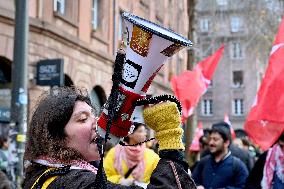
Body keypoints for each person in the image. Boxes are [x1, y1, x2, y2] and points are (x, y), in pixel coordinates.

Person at [22, 87, 196, 188]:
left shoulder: (46, 174)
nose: (97, 123)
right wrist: (169, 136)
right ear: (56, 138)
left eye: (94, 115)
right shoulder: (75, 183)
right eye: (83, 119)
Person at [192, 121, 249, 189]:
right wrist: (197, 186)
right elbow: (192, 181)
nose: (211, 143)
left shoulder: (238, 166)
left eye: (215, 139)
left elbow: (244, 186)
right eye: (210, 139)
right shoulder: (203, 162)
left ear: (226, 143)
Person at [104, 122, 159, 187]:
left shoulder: (152, 155)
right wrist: (120, 180)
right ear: (130, 134)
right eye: (141, 131)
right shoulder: (114, 153)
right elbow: (105, 176)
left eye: (145, 131)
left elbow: (158, 178)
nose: (145, 134)